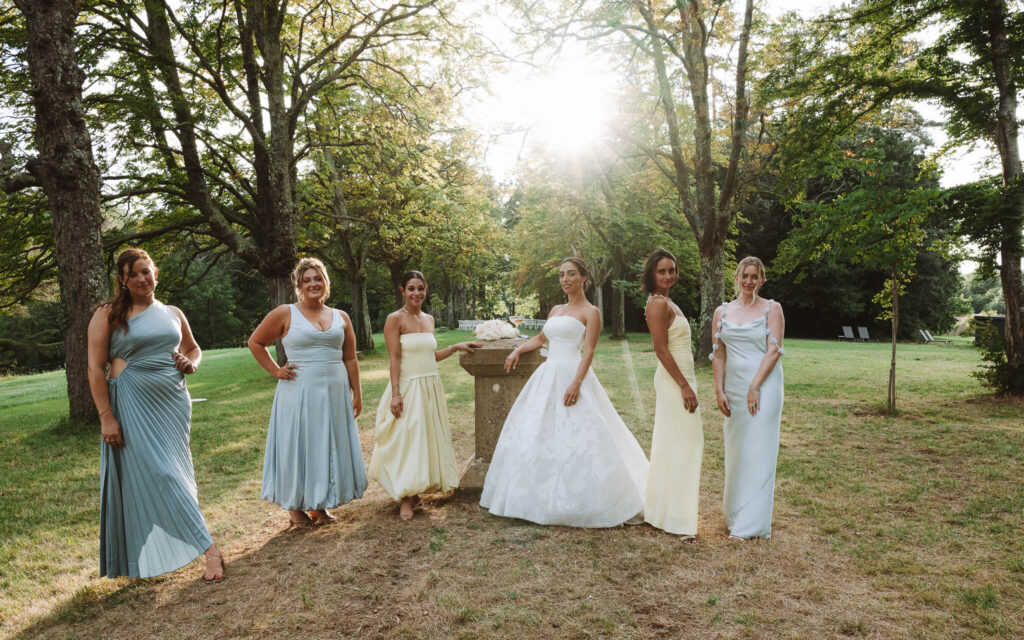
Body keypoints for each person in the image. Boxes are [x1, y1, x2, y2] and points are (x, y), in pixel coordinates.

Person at [87, 248, 224, 582]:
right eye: (132, 274)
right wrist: (106, 416)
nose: (141, 279)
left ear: (156, 273)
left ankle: (156, 557)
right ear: (122, 280)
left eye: (145, 271)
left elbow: (193, 348)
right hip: (131, 404)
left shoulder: (173, 313)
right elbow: (95, 367)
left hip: (172, 405)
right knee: (158, 476)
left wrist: (191, 363)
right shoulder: (107, 314)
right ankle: (209, 550)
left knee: (174, 474)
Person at [480, 257, 649, 527]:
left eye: (571, 274)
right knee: (538, 431)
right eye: (561, 275)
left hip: (573, 373)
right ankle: (537, 497)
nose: (565, 279)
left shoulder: (591, 312)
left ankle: (590, 497)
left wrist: (576, 383)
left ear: (584, 278)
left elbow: (589, 351)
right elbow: (541, 339)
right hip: (547, 375)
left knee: (582, 435)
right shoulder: (556, 309)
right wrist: (518, 349)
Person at [248, 257, 367, 528]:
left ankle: (318, 504)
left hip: (334, 392)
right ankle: (294, 508)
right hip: (299, 393)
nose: (313, 284)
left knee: (325, 444)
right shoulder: (285, 313)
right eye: (307, 280)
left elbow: (350, 358)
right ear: (299, 286)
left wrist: (357, 393)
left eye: (318, 279)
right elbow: (255, 342)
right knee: (299, 444)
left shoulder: (341, 317)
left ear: (326, 282)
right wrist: (276, 370)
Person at [368, 271, 481, 520]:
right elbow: (395, 358)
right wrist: (396, 393)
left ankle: (418, 489)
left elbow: (429, 356)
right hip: (408, 387)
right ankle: (405, 498)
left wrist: (454, 347)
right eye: (411, 288)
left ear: (426, 290)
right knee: (408, 440)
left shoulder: (429, 319)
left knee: (425, 440)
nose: (416, 293)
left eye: (420, 288)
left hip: (430, 386)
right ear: (402, 291)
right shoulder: (395, 319)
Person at [710, 256, 785, 541]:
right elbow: (718, 353)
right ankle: (736, 513)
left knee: (759, 448)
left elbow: (774, 350)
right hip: (734, 386)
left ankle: (751, 524)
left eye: (755, 276)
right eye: (745, 276)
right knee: (738, 448)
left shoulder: (772, 308)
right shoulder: (722, 312)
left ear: (762, 279)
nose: (749, 281)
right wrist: (719, 389)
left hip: (764, 385)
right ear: (737, 278)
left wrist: (755, 386)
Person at [641, 249, 704, 541]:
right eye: (662, 271)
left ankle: (666, 513)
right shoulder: (656, 303)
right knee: (684, 444)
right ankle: (677, 520)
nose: (668, 275)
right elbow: (660, 350)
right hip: (674, 381)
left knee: (678, 444)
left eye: (672, 270)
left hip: (683, 378)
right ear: (652, 274)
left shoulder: (668, 301)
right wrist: (684, 385)